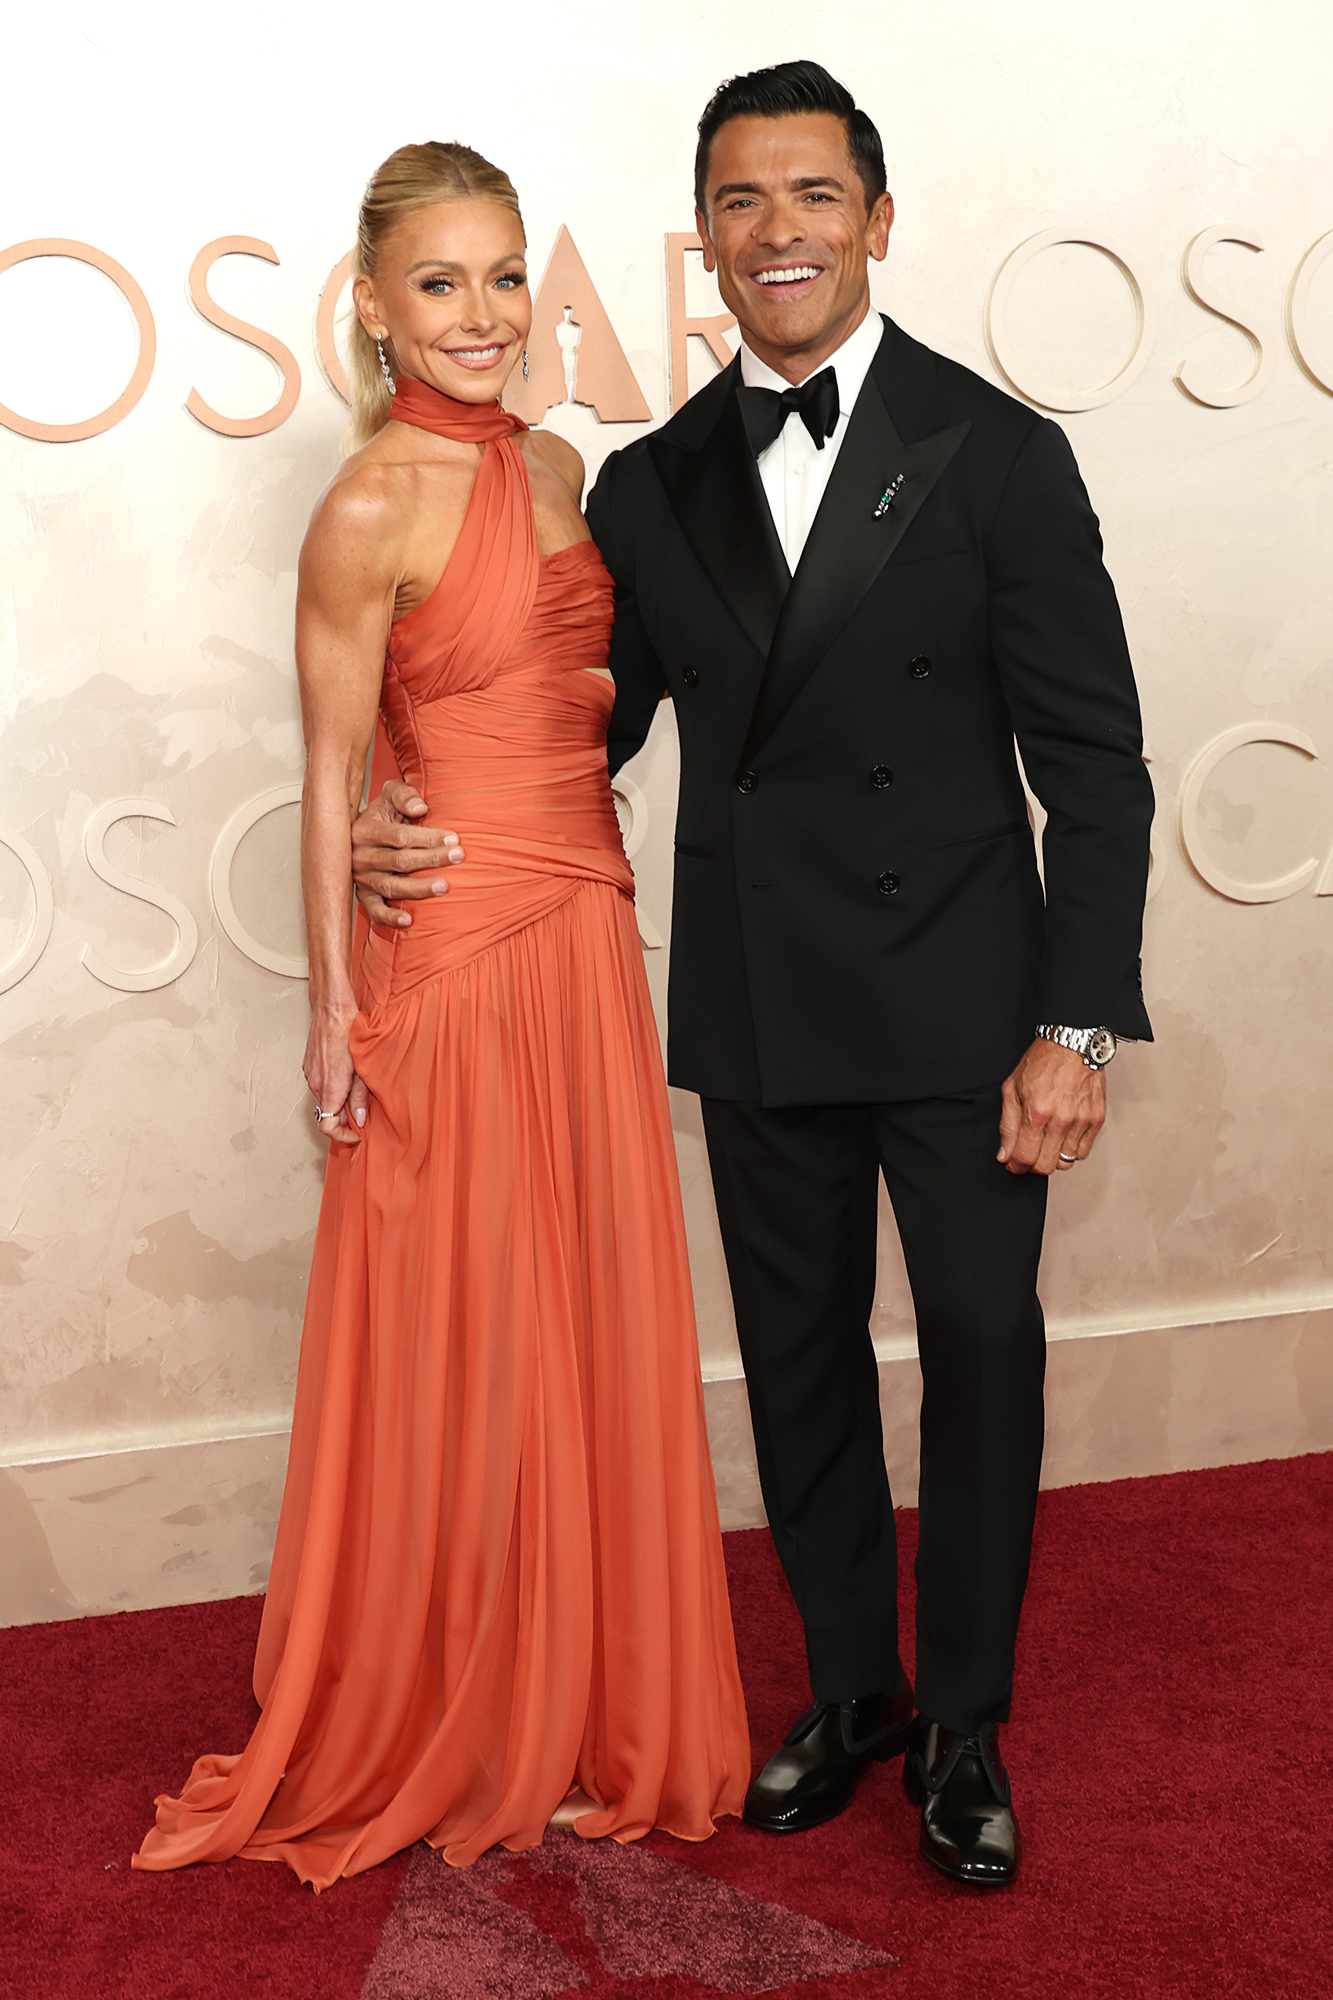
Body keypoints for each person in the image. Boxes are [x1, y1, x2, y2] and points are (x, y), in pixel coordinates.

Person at [350, 65, 1155, 1889]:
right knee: (795, 1363)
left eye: (811, 195)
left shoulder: (995, 452)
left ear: (876, 220)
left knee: (980, 1350)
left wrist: (1074, 1025)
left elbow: (1094, 769)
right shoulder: (648, 484)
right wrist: (390, 814)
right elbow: (568, 727)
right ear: (701, 239)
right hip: (761, 988)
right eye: (738, 200)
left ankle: (962, 1720)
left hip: (968, 1003)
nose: (774, 230)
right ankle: (852, 1691)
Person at [134, 140, 749, 1892]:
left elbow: (571, 701)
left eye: (503, 278)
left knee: (578, 1321)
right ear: (373, 308)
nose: (481, 315)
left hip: (583, 940)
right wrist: (333, 1013)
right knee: (466, 1333)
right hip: (456, 960)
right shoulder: (367, 506)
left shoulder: (561, 465)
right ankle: (453, 1703)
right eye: (439, 284)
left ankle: (579, 1698)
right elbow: (331, 773)